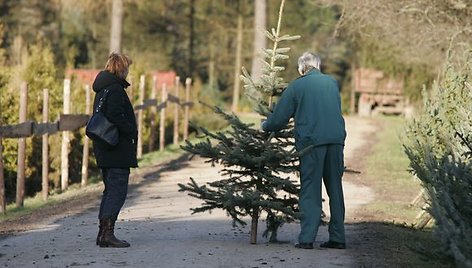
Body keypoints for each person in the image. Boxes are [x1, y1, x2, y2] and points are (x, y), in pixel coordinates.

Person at [262, 52, 346, 249]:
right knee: (335, 189)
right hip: (336, 141)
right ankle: (338, 238)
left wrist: (265, 126)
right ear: (318, 66)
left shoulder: (297, 86)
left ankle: (307, 238)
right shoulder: (332, 83)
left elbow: (279, 118)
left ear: (302, 68)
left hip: (311, 143)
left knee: (310, 190)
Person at [92, 52, 138, 248]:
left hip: (104, 147)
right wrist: (131, 131)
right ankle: (107, 234)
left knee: (110, 190)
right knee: (117, 191)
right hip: (116, 149)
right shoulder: (116, 89)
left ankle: (103, 234)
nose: (128, 72)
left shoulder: (102, 89)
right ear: (121, 68)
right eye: (127, 67)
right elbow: (115, 116)